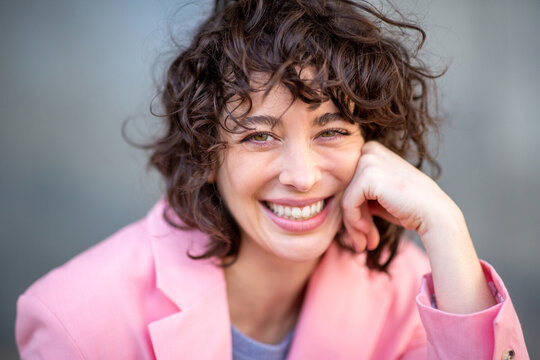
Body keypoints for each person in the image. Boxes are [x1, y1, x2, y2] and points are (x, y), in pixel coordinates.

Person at [15, 0, 528, 359]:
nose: (303, 177)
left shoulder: (407, 293)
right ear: (206, 152)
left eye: (331, 131)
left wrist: (445, 224)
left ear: (371, 146)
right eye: (259, 137)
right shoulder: (73, 319)